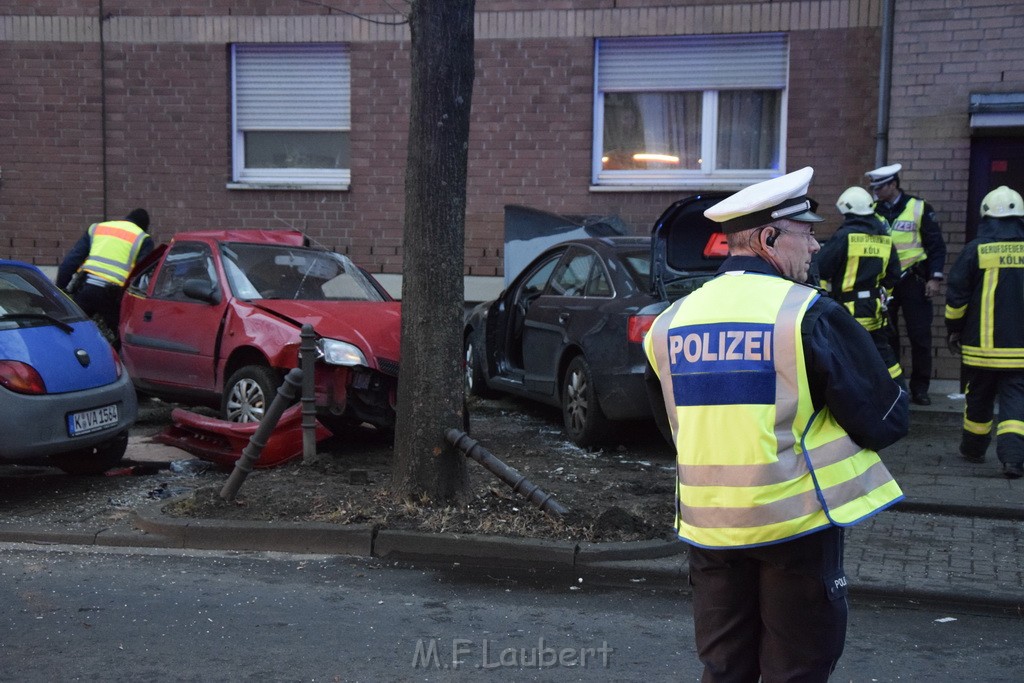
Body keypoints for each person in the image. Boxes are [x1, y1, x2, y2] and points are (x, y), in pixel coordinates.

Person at [643, 167, 908, 681]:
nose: (815, 245)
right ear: (768, 239)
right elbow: (884, 422)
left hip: (710, 527)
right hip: (796, 526)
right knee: (797, 667)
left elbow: (670, 426)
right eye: (805, 232)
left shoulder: (669, 321)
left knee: (724, 668)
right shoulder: (807, 312)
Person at [945, 186, 1024, 480]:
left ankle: (974, 449)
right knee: (1016, 401)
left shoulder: (975, 250)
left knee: (978, 398)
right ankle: (1013, 460)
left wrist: (953, 330)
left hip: (981, 348)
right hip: (1020, 351)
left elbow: (957, 297)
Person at [867, 163, 946, 405]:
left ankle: (920, 389)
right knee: (887, 334)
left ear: (893, 184)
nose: (876, 192)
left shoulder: (919, 208)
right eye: (874, 188)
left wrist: (934, 278)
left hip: (914, 279)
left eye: (880, 187)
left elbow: (936, 245)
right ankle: (894, 385)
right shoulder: (871, 210)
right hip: (885, 281)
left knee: (919, 335)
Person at [815, 186, 904, 381]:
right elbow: (893, 274)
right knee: (884, 358)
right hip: (875, 311)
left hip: (846, 312)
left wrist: (822, 298)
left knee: (848, 359)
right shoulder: (885, 239)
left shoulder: (845, 237)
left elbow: (819, 268)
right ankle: (897, 396)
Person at [56, 208, 153, 348]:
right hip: (112, 296)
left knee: (69, 331)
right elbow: (140, 276)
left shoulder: (98, 228)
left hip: (86, 289)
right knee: (121, 339)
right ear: (144, 227)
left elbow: (70, 262)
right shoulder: (143, 239)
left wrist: (60, 289)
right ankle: (115, 364)